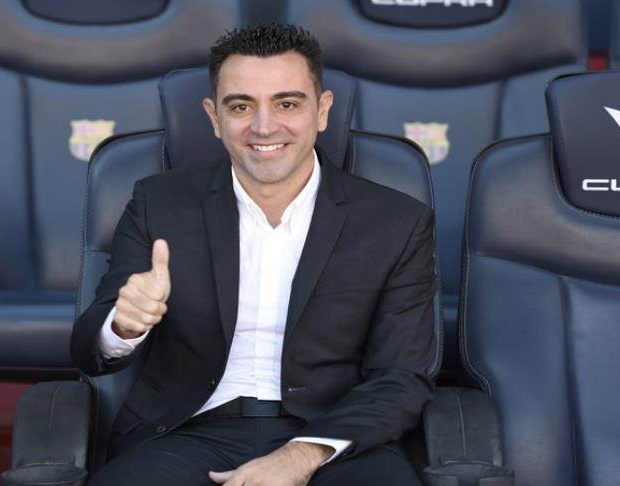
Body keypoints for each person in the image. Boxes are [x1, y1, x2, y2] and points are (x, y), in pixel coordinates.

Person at [71, 23, 437, 486]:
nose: (264, 127)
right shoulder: (158, 203)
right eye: (241, 106)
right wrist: (124, 326)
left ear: (322, 110)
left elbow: (401, 376)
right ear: (214, 117)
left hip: (335, 437)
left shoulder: (395, 221)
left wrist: (302, 454)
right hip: (186, 432)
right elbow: (88, 350)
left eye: (287, 104)